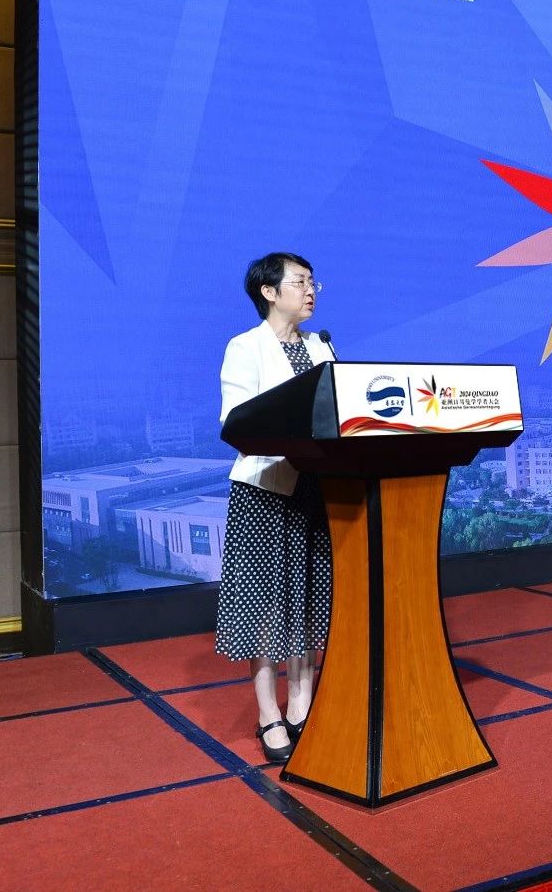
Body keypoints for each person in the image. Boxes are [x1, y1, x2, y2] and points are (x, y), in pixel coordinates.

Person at [216, 252, 335, 763]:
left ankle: (302, 701)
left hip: (317, 487)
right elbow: (236, 422)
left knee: (308, 597)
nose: (310, 291)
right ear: (269, 292)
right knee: (266, 604)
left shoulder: (321, 346)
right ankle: (269, 713)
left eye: (313, 283)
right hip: (265, 490)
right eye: (300, 282)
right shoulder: (245, 347)